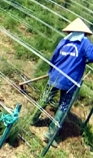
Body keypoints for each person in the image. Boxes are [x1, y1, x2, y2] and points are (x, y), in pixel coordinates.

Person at [31, 18, 93, 147]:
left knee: (46, 97)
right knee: (64, 106)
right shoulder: (84, 42)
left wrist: (50, 71)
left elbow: (54, 57)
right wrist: (85, 60)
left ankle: (33, 119)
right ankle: (50, 134)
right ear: (84, 33)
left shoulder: (64, 41)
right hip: (70, 81)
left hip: (55, 76)